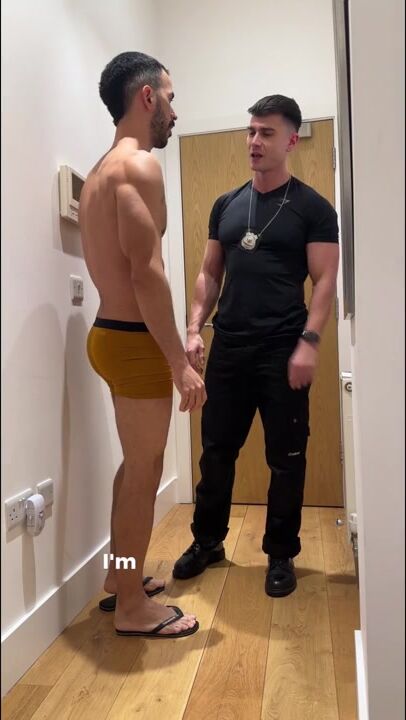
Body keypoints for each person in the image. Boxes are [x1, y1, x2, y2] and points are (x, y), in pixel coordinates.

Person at [173, 95, 339, 598]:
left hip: (283, 348)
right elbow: (209, 272)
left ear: (291, 141)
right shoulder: (226, 204)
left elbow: (325, 281)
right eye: (250, 131)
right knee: (216, 451)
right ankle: (207, 542)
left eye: (266, 132)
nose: (254, 141)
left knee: (286, 457)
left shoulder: (313, 208)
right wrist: (194, 328)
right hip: (230, 347)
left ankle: (281, 553)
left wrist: (309, 343)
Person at [80, 52, 206, 637]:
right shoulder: (138, 167)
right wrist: (179, 362)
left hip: (111, 335)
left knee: (135, 466)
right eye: (171, 98)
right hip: (134, 344)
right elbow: (146, 273)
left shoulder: (101, 171)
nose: (175, 113)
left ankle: (119, 576)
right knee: (143, 472)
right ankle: (131, 607)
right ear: (147, 97)